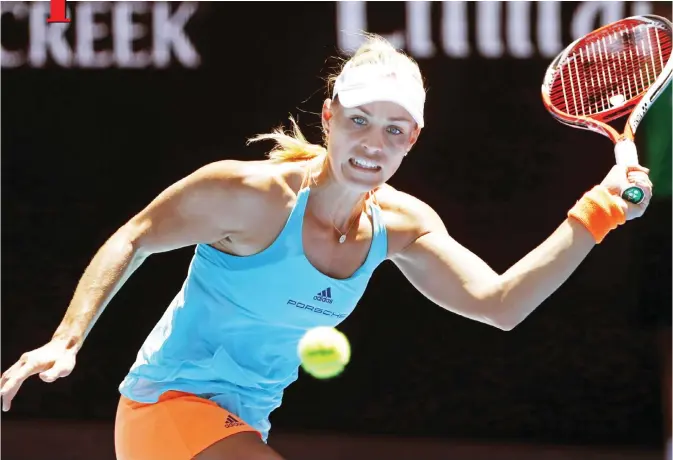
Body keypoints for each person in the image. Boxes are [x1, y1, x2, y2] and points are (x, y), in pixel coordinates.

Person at [0, 34, 653, 460]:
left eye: (393, 130)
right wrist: (68, 335)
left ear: (411, 142)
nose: (373, 143)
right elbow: (136, 235)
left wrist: (600, 213)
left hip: (243, 427)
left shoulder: (401, 226)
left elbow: (499, 303)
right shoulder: (249, 195)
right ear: (331, 118)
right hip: (165, 409)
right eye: (360, 121)